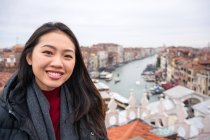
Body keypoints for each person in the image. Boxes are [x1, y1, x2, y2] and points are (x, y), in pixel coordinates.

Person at [0, 22, 108, 140]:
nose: (57, 63)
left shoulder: (89, 103)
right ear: (29, 57)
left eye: (67, 56)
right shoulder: (6, 110)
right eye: (48, 53)